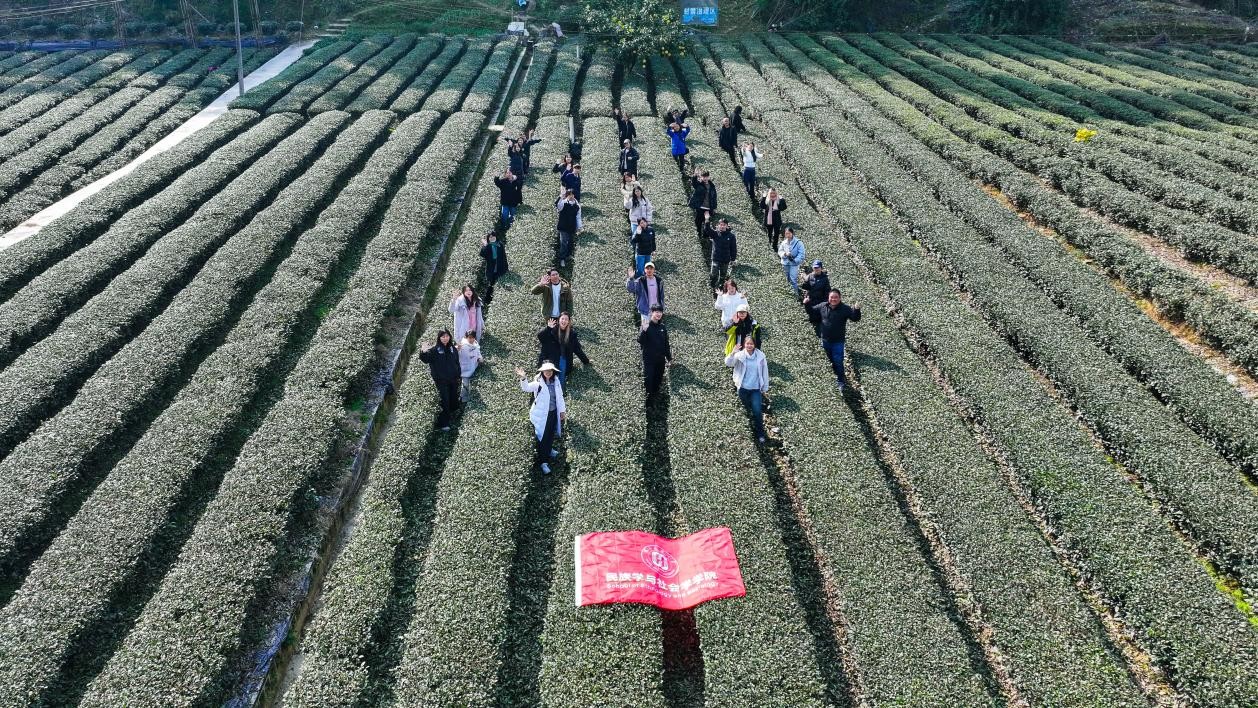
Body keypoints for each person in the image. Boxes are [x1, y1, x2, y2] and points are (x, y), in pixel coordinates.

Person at [516, 361, 566, 474]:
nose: (548, 372)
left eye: (550, 371)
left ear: (553, 372)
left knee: (550, 433)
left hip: (553, 413)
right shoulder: (538, 383)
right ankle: (543, 462)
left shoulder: (556, 381)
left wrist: (562, 411)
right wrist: (523, 378)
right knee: (543, 437)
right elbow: (526, 388)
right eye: (546, 371)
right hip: (542, 415)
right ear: (542, 372)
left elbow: (560, 397)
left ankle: (549, 450)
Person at [813, 288, 861, 390]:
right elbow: (812, 311)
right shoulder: (823, 306)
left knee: (838, 361)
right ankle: (832, 378)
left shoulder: (845, 308)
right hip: (825, 341)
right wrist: (807, 303)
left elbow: (855, 318)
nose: (833, 299)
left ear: (839, 298)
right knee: (828, 361)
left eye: (836, 297)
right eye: (832, 297)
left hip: (838, 342)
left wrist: (856, 310)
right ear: (828, 298)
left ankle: (840, 381)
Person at [725, 336, 769, 444]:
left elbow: (765, 372)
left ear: (754, 345)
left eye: (751, 344)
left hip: (755, 389)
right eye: (747, 344)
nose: (749, 346)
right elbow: (728, 363)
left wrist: (765, 387)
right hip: (743, 388)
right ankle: (750, 427)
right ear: (744, 344)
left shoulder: (761, 356)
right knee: (746, 408)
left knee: (757, 411)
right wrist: (733, 353)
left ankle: (760, 433)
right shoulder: (739, 355)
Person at [419, 329, 461, 431]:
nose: (445, 338)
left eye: (447, 336)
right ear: (439, 338)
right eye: (443, 337)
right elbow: (425, 359)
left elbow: (456, 362)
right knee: (445, 400)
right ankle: (443, 423)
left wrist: (458, 374)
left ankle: (453, 417)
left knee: (453, 398)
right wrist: (423, 351)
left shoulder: (452, 349)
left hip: (453, 379)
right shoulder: (435, 350)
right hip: (441, 381)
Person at [537, 311, 589, 386]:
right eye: (562, 319)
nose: (564, 321)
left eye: (566, 319)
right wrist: (548, 328)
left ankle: (560, 392)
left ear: (568, 322)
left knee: (561, 379)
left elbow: (577, 349)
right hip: (550, 359)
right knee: (548, 379)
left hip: (563, 359)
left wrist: (586, 361)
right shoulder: (551, 330)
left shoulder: (572, 334)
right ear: (559, 320)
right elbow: (540, 337)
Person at [638, 305, 673, 401]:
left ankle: (655, 398)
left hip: (660, 360)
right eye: (656, 312)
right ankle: (648, 401)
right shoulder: (646, 326)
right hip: (649, 360)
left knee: (658, 379)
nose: (658, 314)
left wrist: (669, 358)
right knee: (648, 380)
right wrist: (644, 330)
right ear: (652, 313)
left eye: (660, 312)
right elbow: (641, 341)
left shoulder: (662, 327)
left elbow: (666, 344)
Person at [626, 262, 664, 329]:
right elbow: (631, 289)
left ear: (654, 270)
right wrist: (631, 278)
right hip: (645, 310)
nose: (649, 270)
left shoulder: (659, 281)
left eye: (651, 268)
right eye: (647, 268)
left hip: (656, 310)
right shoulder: (640, 281)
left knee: (655, 329)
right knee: (645, 329)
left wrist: (662, 306)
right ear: (644, 270)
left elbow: (662, 295)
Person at [703, 217, 737, 291]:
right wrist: (707, 220)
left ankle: (720, 289)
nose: (722, 226)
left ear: (727, 226)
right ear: (718, 225)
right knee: (713, 274)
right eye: (721, 225)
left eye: (724, 225)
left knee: (722, 276)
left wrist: (733, 259)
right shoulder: (715, 234)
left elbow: (733, 248)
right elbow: (707, 229)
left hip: (725, 260)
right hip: (716, 258)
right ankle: (712, 287)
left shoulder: (731, 236)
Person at [554, 189, 581, 266]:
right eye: (569, 194)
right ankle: (562, 258)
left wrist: (579, 227)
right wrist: (560, 197)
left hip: (572, 226)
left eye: (572, 194)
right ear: (567, 195)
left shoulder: (577, 205)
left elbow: (578, 217)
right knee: (563, 242)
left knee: (570, 242)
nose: (571, 196)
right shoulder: (563, 203)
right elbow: (558, 206)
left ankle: (568, 256)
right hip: (563, 226)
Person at [802, 260, 831, 328]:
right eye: (815, 268)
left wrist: (826, 302)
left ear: (821, 268)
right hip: (811, 300)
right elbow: (805, 286)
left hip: (820, 301)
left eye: (818, 267)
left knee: (819, 318)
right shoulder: (810, 276)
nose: (816, 269)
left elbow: (827, 291)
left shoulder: (825, 279)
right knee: (812, 317)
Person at [777, 227, 805, 296]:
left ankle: (796, 294)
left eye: (789, 233)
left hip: (794, 264)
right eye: (786, 234)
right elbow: (780, 251)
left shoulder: (799, 243)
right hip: (785, 263)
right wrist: (785, 254)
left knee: (793, 278)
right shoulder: (784, 243)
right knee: (787, 278)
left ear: (792, 233)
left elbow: (801, 254)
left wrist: (795, 260)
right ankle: (790, 293)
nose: (788, 235)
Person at [689, 169, 717, 238]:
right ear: (701, 177)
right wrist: (695, 175)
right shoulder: (699, 185)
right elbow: (694, 183)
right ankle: (698, 236)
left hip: (708, 208)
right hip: (700, 208)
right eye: (703, 177)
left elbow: (714, 197)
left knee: (706, 223)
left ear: (709, 177)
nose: (705, 178)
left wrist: (713, 207)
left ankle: (705, 237)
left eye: (706, 176)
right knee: (698, 223)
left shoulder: (712, 186)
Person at [458, 330, 483, 402]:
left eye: (473, 338)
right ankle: (462, 399)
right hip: (465, 368)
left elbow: (478, 353)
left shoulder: (475, 345)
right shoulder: (462, 346)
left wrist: (480, 358)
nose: (471, 339)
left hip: (472, 367)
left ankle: (465, 399)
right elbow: (457, 352)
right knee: (465, 384)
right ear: (466, 338)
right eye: (469, 338)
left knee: (468, 384)